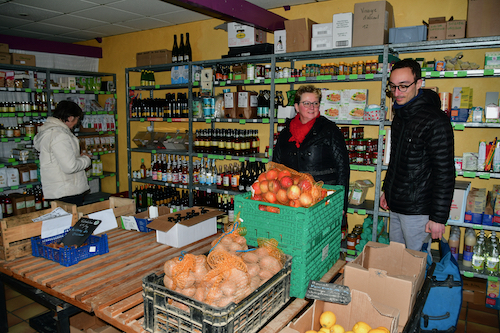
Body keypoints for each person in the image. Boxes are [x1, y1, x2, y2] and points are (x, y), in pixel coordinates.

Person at [380, 59, 455, 251]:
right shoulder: (400, 117)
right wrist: (387, 191)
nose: (397, 93)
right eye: (393, 87)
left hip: (418, 211)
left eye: (403, 87)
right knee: (396, 261)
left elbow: (444, 172)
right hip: (396, 205)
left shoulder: (435, 120)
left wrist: (438, 217)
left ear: (419, 84)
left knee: (416, 266)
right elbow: (395, 161)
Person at [273, 85, 350, 214]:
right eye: (306, 103)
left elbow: (343, 167)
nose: (312, 107)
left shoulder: (330, 130)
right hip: (291, 199)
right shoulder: (286, 133)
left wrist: (340, 203)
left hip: (322, 198)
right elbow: (276, 166)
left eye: (315, 103)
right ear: (297, 107)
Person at [34, 100, 92, 206]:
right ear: (70, 117)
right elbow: (70, 167)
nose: (76, 123)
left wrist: (78, 158)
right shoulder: (60, 135)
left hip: (59, 190)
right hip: (67, 191)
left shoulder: (50, 131)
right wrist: (86, 160)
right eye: (77, 119)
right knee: (73, 221)